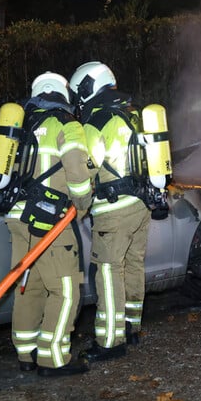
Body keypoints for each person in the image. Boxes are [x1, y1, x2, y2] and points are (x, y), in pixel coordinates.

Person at [5, 72, 94, 376]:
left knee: (28, 285)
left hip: (17, 217)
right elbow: (78, 174)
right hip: (50, 220)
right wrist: (83, 206)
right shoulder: (68, 125)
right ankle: (53, 358)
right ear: (64, 94)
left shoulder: (19, 125)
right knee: (66, 290)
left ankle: (26, 353)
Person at [69, 61, 150, 362]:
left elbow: (85, 172)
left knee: (107, 271)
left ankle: (110, 341)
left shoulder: (96, 122)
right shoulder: (132, 114)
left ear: (89, 88)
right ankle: (132, 327)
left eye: (79, 92)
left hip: (113, 210)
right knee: (132, 266)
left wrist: (78, 203)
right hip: (140, 204)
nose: (78, 99)